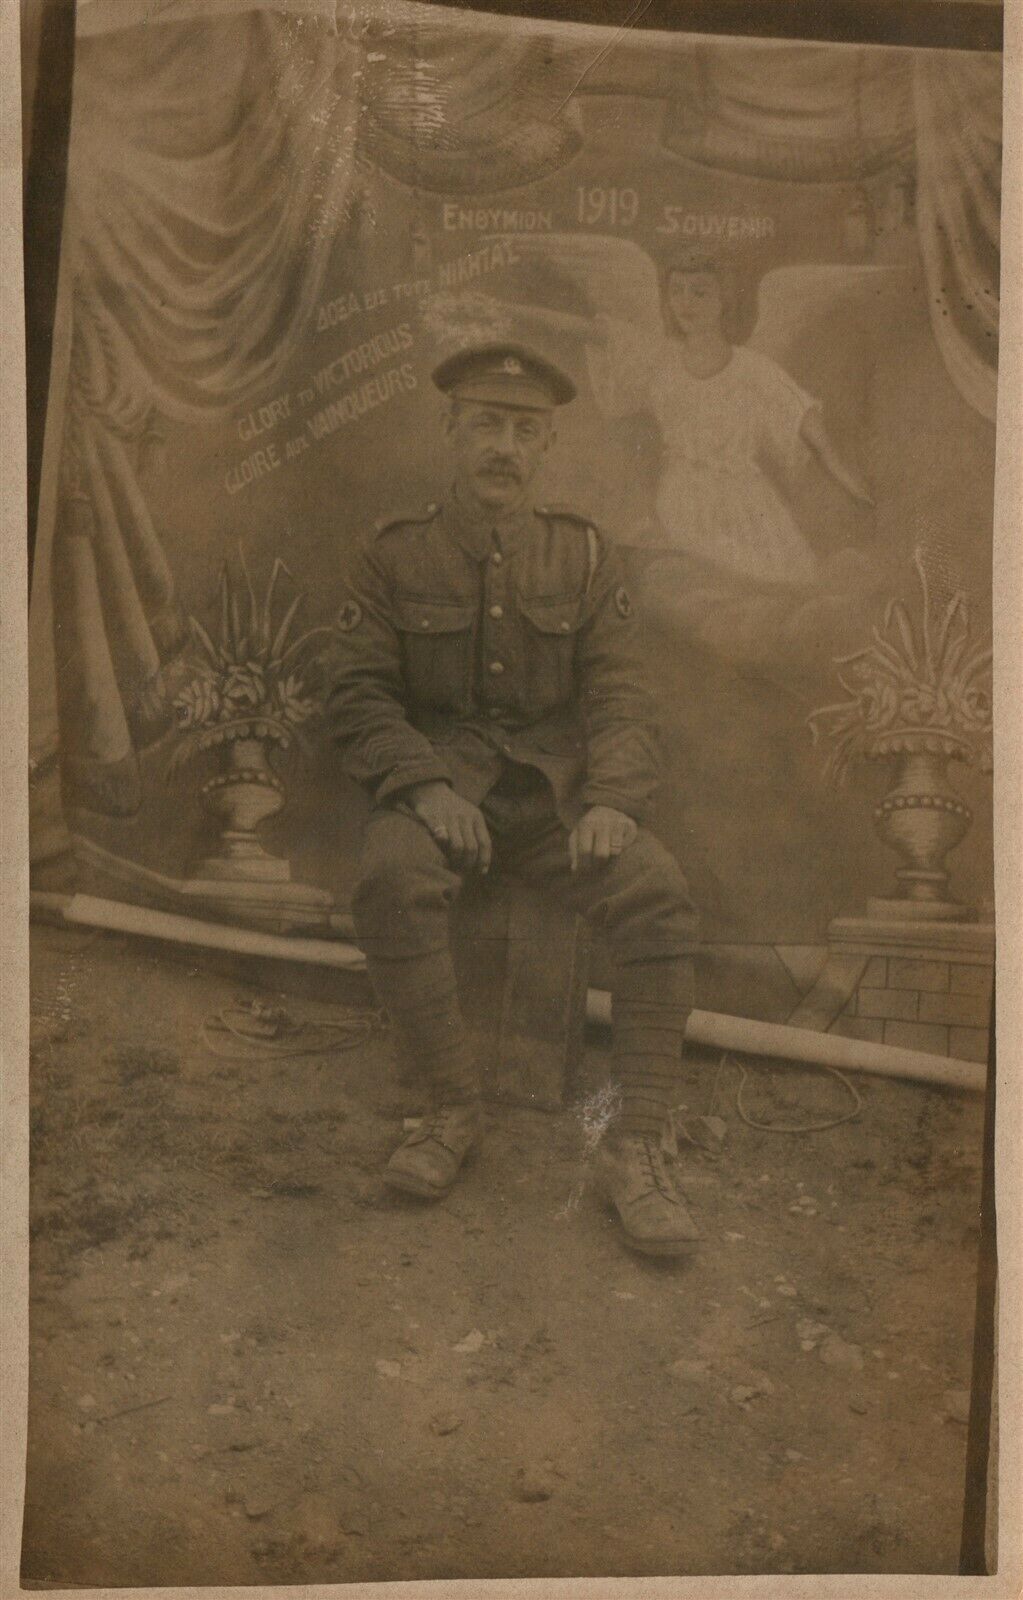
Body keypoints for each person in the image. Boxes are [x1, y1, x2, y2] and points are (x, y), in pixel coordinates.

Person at [322, 342, 701, 1258]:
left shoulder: (582, 555)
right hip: (441, 788)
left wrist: (611, 798)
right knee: (388, 874)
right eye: (485, 424)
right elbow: (356, 692)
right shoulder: (391, 552)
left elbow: (620, 695)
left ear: (546, 447)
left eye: (523, 430)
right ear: (451, 432)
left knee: (656, 894)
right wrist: (420, 783)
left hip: (553, 801)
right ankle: (447, 1111)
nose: (503, 445)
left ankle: (635, 1140)